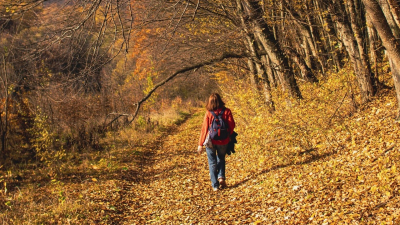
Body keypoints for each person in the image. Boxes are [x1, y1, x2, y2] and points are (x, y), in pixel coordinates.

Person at [197, 93, 235, 191]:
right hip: (223, 140)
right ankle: (221, 177)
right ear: (220, 100)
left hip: (211, 141)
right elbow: (232, 125)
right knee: (221, 158)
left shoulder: (208, 113)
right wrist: (228, 134)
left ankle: (215, 185)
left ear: (210, 102)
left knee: (212, 162)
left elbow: (204, 129)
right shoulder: (227, 111)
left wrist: (200, 144)